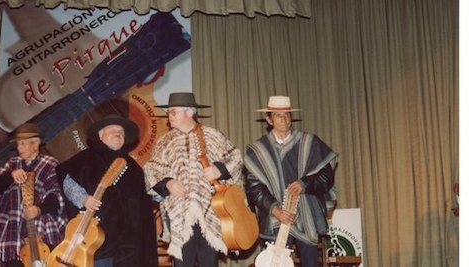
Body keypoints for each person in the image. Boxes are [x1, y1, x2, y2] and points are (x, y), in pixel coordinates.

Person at [143, 92, 244, 267]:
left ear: (189, 113)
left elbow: (236, 157)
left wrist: (218, 170)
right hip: (178, 214)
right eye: (169, 111)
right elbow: (151, 170)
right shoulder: (164, 141)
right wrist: (168, 183)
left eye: (173, 111)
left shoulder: (213, 136)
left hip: (212, 211)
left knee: (209, 263)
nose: (169, 115)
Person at [243, 95, 337, 267]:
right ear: (269, 119)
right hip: (276, 218)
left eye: (287, 114)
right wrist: (275, 210)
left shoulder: (309, 142)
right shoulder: (258, 150)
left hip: (307, 215)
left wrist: (305, 184)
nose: (284, 119)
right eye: (278, 115)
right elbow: (254, 189)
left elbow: (327, 177)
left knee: (310, 263)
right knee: (277, 263)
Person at [56, 115, 158, 267]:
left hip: (128, 242)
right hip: (97, 237)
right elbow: (68, 181)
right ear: (100, 135)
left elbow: (143, 199)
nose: (119, 133)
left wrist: (163, 190)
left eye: (122, 132)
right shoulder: (85, 159)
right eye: (114, 130)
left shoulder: (134, 168)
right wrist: (83, 199)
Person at [0, 123, 69, 267]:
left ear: (35, 144)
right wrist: (11, 175)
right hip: (11, 231)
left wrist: (39, 209)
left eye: (23, 143)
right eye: (18, 144)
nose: (19, 147)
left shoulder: (49, 164)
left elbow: (56, 195)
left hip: (40, 229)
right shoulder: (12, 164)